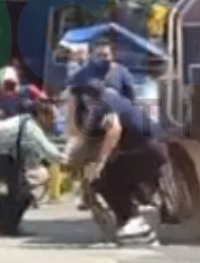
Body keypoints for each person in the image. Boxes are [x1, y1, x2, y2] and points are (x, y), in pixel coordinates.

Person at [70, 84, 168, 244]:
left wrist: (99, 163)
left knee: (105, 180)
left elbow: (114, 130)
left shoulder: (101, 104)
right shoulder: (110, 99)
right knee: (110, 176)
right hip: (152, 148)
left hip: (147, 149)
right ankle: (133, 221)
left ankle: (135, 221)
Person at [0, 98, 64, 236]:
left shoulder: (23, 121)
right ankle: (8, 228)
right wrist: (71, 159)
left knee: (15, 190)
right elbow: (51, 153)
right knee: (23, 195)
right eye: (52, 118)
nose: (53, 122)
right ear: (42, 115)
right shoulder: (30, 128)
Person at [68, 38, 136, 101]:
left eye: (105, 55)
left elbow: (131, 99)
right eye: (98, 55)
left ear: (112, 56)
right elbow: (74, 98)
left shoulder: (123, 72)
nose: (101, 59)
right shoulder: (83, 74)